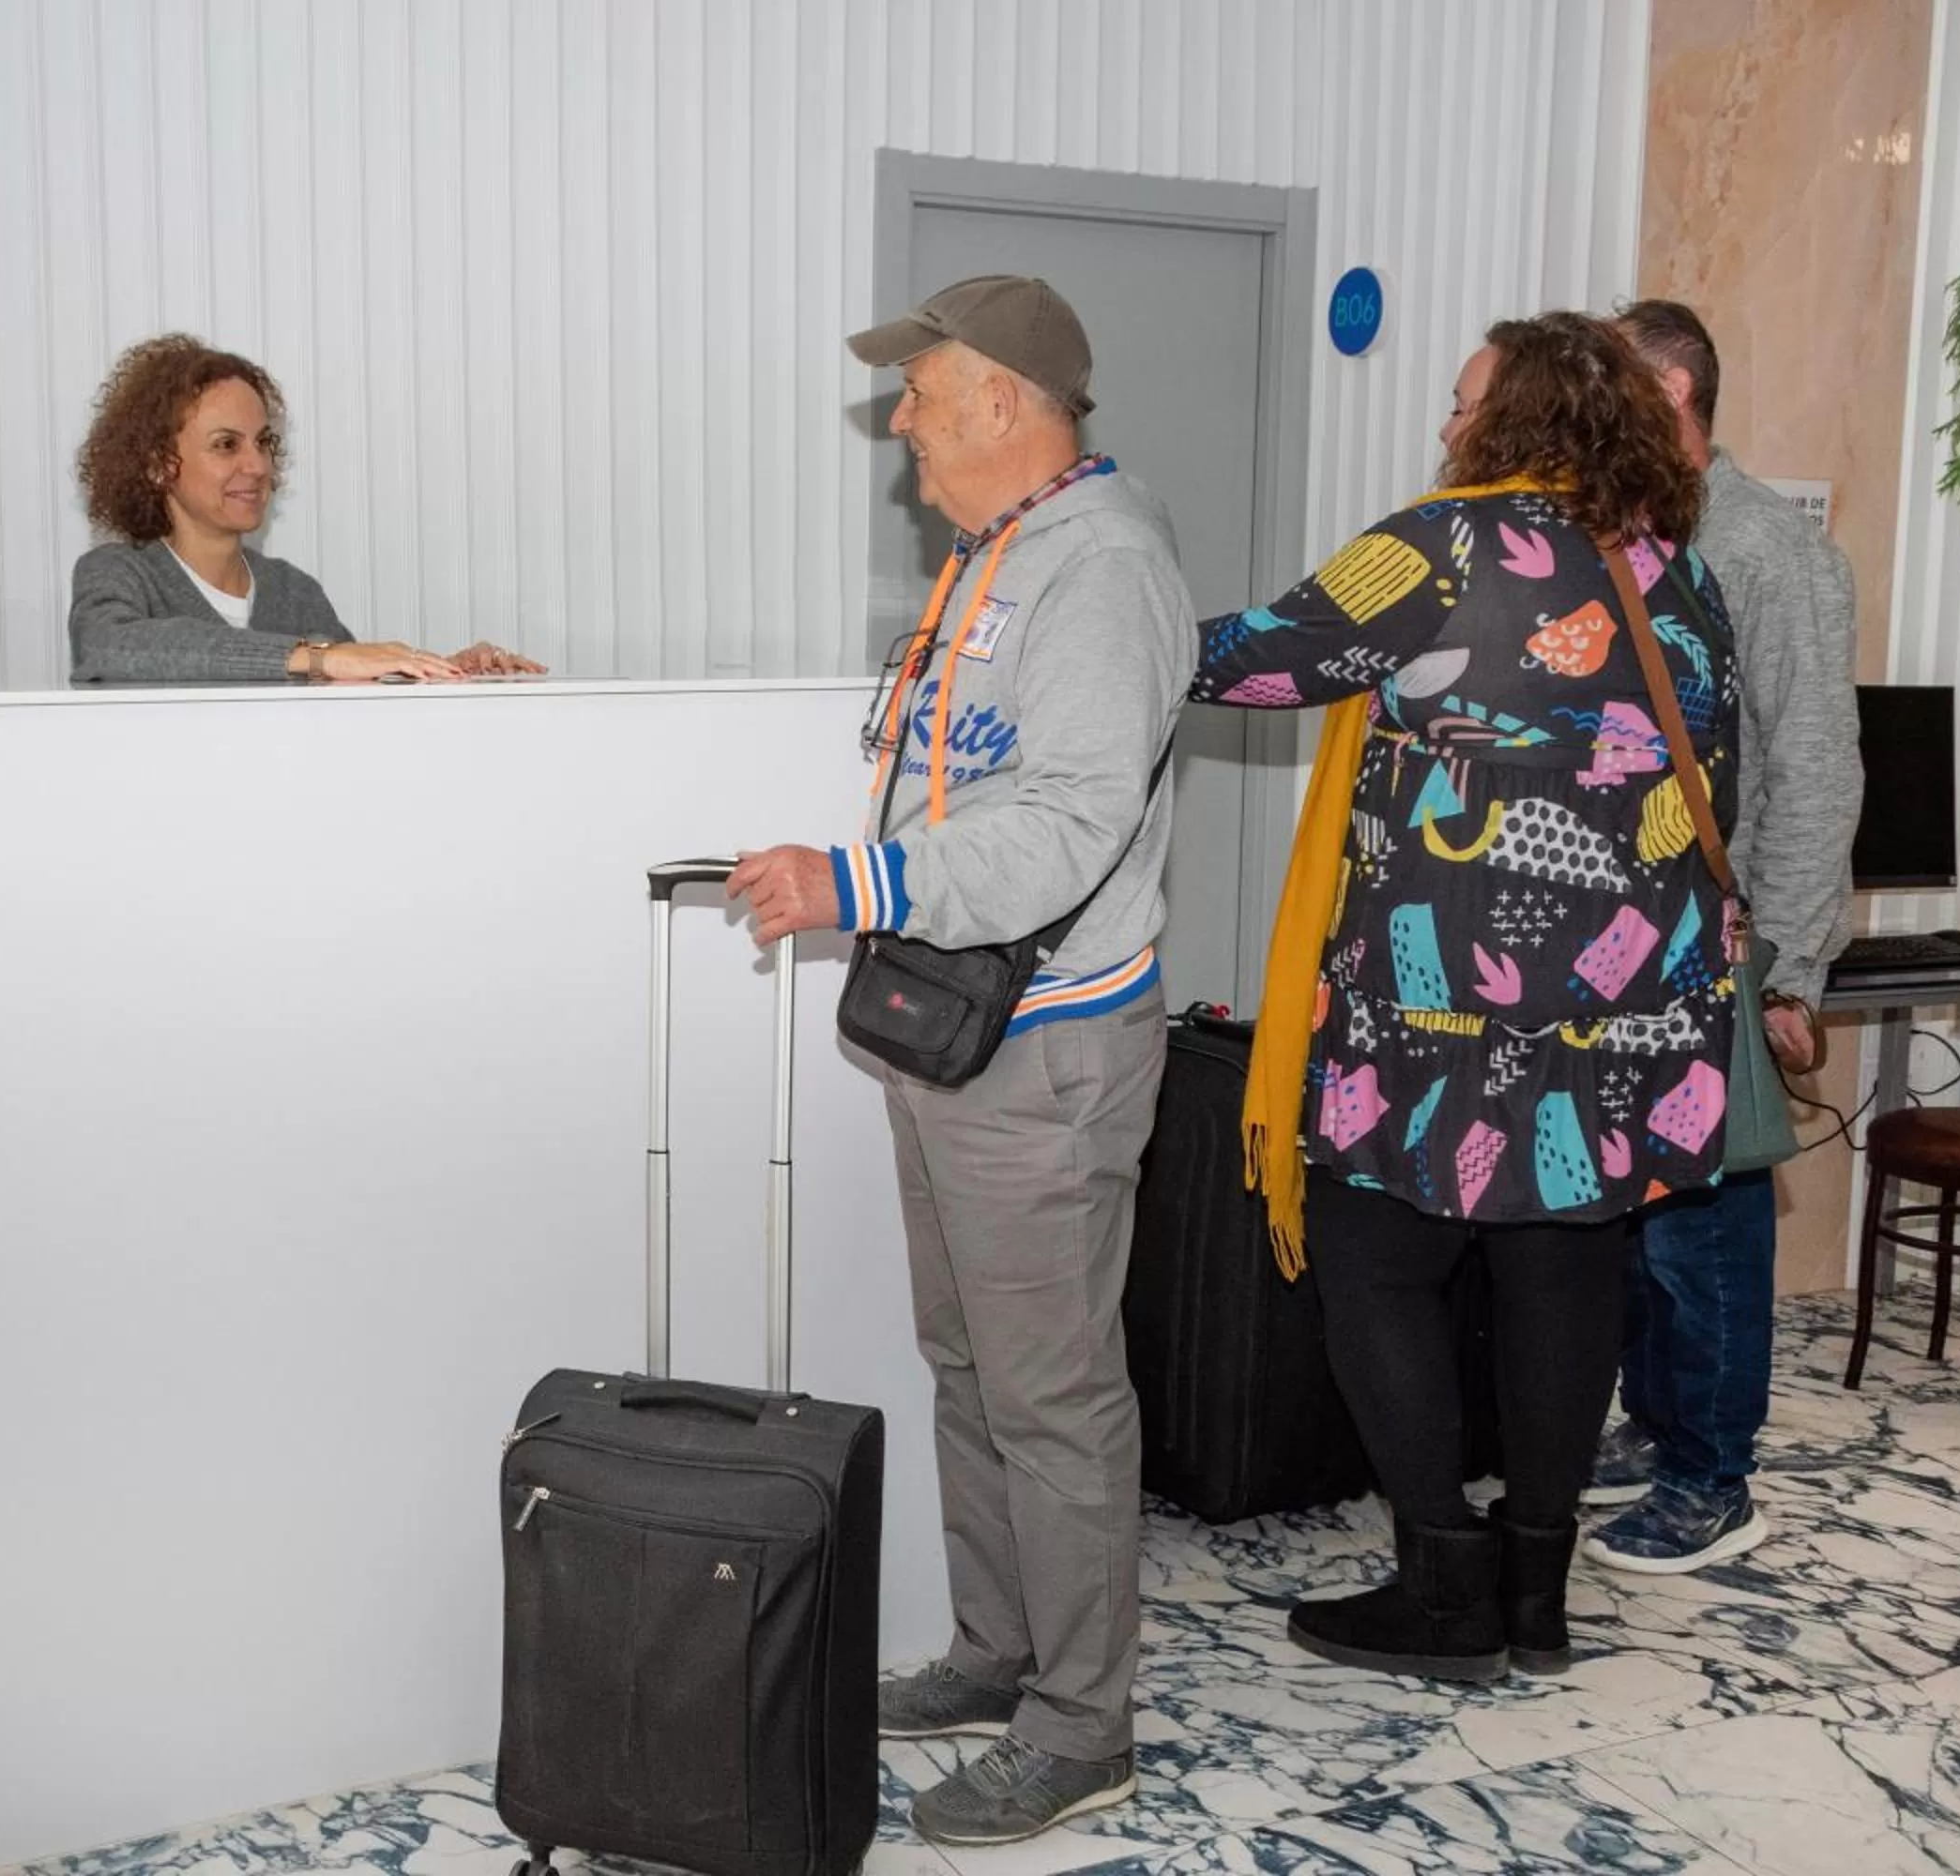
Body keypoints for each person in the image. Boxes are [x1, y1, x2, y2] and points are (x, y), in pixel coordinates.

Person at [1192, 310, 1739, 1681]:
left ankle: (1441, 1583)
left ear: (1516, 418)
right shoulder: (1677, 573)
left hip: (1443, 1009)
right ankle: (1538, 1598)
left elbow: (1252, 658)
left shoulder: (1446, 543)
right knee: (1566, 1269)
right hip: (1625, 1009)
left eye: (1461, 403)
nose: (1444, 425)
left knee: (1373, 1260)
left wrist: (1098, 609)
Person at [725, 275, 1192, 1845]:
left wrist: (855, 890)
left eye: (921, 393)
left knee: (1053, 1393)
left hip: (1048, 1051)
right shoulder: (997, 556)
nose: (903, 420)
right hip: (957, 1030)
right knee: (971, 1367)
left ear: (1005, 401)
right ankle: (1004, 1653)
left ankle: (1085, 1725)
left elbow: (1067, 826)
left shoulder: (1104, 570)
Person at [1579, 300, 1862, 1574]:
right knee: (1647, 1215)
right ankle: (1653, 1426)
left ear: (1675, 395)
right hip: (1633, 946)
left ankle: (1715, 1472)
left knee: (1712, 1220)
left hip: (1728, 945)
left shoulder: (1763, 549)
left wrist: (1794, 965)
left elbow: (1813, 765)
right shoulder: (1631, 539)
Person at [66, 334, 539, 684]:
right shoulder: (116, 573)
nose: (257, 465)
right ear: (156, 465)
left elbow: (356, 680)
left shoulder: (293, 591)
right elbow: (108, 646)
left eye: (264, 442)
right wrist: (316, 656)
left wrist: (450, 673)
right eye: (226, 444)